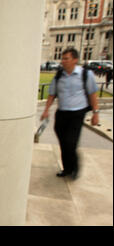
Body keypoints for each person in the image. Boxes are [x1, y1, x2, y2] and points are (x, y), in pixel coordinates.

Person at [40, 48, 99, 179]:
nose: (63, 61)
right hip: (62, 113)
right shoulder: (59, 75)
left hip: (77, 114)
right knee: (63, 143)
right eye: (63, 58)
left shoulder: (85, 74)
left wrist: (96, 113)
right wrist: (46, 110)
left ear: (75, 60)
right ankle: (66, 169)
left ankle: (75, 168)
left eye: (66, 58)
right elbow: (52, 94)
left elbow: (92, 94)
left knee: (71, 143)